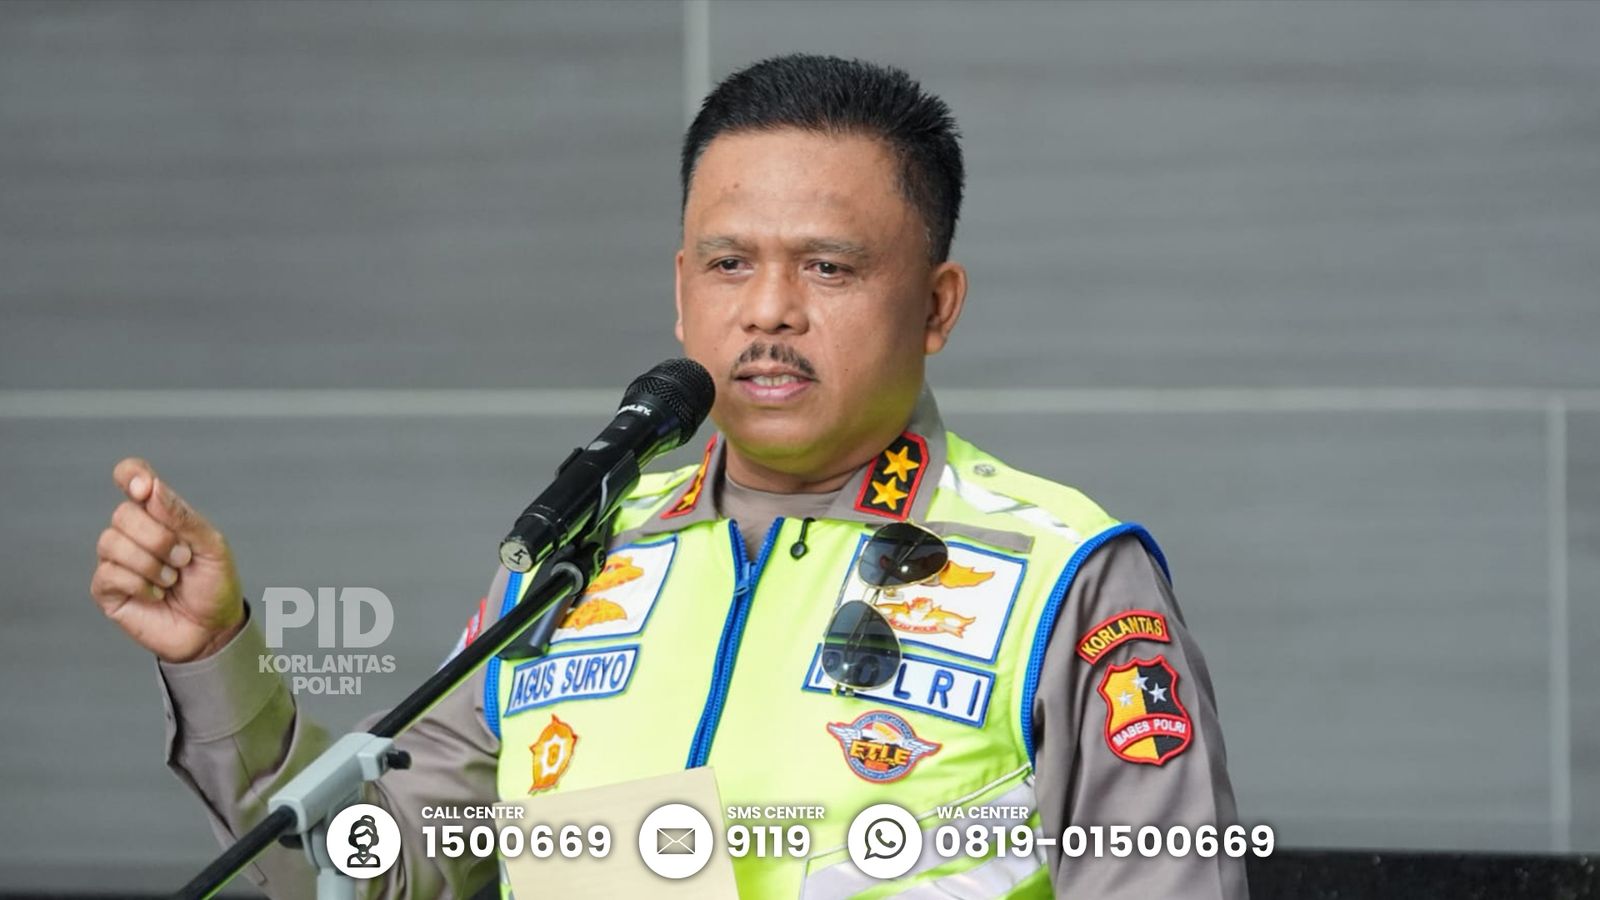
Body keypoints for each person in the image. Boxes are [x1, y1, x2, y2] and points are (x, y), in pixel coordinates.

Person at [89, 55, 1246, 899]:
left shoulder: (1061, 572)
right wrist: (217, 654)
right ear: (681, 292)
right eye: (729, 264)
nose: (769, 310)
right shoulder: (576, 556)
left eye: (828, 268)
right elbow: (375, 872)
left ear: (935, 307)